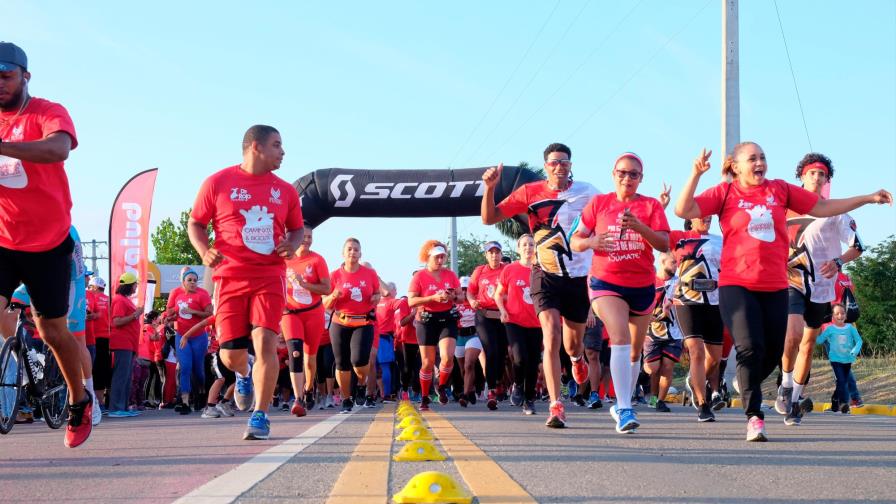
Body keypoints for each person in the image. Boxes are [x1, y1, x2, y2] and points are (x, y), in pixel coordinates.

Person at [674, 143, 891, 441]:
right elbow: (683, 209)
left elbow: (822, 207)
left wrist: (866, 198)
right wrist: (696, 174)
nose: (760, 162)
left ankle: (742, 380)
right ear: (736, 166)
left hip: (775, 285)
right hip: (737, 285)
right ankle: (754, 417)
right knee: (750, 347)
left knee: (772, 351)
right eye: (752, 158)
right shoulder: (725, 193)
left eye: (763, 157)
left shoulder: (781, 190)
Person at [0, 41, 92, 447]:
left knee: (53, 332)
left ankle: (78, 400)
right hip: (3, 238)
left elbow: (59, 149)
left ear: (25, 77)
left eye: (5, 76)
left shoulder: (47, 112)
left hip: (50, 243)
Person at [188, 124, 303, 440]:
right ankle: (243, 373)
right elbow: (195, 223)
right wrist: (204, 250)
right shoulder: (218, 183)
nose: (283, 151)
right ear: (256, 147)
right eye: (277, 145)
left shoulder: (286, 191)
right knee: (231, 355)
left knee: (265, 340)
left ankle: (260, 416)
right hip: (229, 278)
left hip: (269, 276)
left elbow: (296, 228)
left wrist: (291, 244)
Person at [482, 142, 600, 428]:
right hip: (545, 274)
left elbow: (607, 221)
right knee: (551, 335)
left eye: (564, 162)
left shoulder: (589, 192)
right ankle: (555, 405)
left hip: (577, 278)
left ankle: (575, 361)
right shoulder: (530, 192)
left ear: (571, 165)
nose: (559, 166)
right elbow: (489, 217)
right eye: (553, 162)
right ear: (546, 166)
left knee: (573, 347)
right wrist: (489, 188)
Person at [571, 152, 670, 434]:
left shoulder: (650, 206)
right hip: (606, 283)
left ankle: (623, 402)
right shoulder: (599, 203)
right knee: (620, 337)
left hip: (641, 285)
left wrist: (640, 227)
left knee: (635, 351)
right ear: (613, 174)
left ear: (641, 178)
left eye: (634, 174)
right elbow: (576, 241)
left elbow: (663, 243)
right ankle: (624, 408)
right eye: (622, 173)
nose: (627, 178)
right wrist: (592, 241)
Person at [777, 153, 864, 426]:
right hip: (791, 280)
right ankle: (786, 384)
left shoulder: (834, 210)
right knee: (792, 334)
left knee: (809, 343)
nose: (817, 177)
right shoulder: (784, 208)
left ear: (827, 180)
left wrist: (838, 262)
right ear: (802, 176)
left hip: (822, 288)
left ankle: (795, 401)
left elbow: (857, 246)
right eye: (812, 172)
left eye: (822, 174)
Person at [667, 215, 725, 418]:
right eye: (701, 214)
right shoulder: (679, 237)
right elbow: (654, 235)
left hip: (715, 302)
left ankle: (694, 380)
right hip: (687, 300)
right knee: (696, 351)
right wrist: (663, 206)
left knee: (715, 359)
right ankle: (703, 404)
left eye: (710, 214)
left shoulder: (722, 240)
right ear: (690, 218)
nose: (707, 217)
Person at [322, 238, 380, 413]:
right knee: (342, 363)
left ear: (360, 253)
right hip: (340, 322)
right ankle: (346, 399)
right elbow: (325, 304)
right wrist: (334, 295)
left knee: (359, 361)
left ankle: (361, 385)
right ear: (343, 253)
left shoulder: (370, 274)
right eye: (349, 249)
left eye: (356, 249)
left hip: (363, 322)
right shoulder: (334, 275)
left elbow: (377, 293)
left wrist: (376, 298)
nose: (352, 252)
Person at [407, 240, 462, 411]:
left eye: (443, 257)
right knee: (428, 362)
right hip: (426, 319)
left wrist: (451, 296)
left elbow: (461, 298)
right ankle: (424, 396)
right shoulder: (419, 276)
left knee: (447, 356)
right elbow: (411, 301)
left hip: (447, 317)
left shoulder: (450, 274)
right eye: (437, 257)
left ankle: (442, 386)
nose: (440, 261)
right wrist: (432, 298)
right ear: (428, 257)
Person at [282, 226, 331, 415]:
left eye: (310, 237)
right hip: (290, 313)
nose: (307, 240)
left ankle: (309, 389)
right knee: (295, 353)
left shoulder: (317, 260)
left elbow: (326, 289)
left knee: (310, 359)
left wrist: (305, 284)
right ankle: (298, 398)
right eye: (304, 236)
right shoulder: (284, 259)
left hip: (313, 313)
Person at [494, 234, 542, 415]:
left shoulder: (541, 269)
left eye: (531, 244)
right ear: (518, 249)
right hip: (514, 320)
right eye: (524, 245)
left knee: (533, 362)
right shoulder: (509, 269)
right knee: (520, 357)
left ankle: (529, 399)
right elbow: (498, 294)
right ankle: (516, 384)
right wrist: (502, 310)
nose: (528, 248)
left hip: (537, 322)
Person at [165, 268, 213, 414]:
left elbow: (210, 314)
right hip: (181, 336)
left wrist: (194, 312)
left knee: (198, 370)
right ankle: (185, 402)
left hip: (199, 337)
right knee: (185, 367)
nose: (192, 283)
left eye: (194, 280)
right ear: (183, 282)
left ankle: (201, 395)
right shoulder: (177, 295)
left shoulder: (202, 294)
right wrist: (169, 317)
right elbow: (171, 312)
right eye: (189, 280)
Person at [467, 241, 507, 410]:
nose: (494, 255)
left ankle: (498, 381)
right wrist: (471, 301)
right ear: (486, 255)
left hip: (503, 316)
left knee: (501, 353)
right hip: (483, 315)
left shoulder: (507, 269)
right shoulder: (480, 271)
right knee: (490, 351)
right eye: (491, 252)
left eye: (497, 252)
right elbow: (470, 290)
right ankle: (491, 389)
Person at [642, 253, 684, 415]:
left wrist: (671, 303)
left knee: (667, 367)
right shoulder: (648, 281)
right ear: (662, 262)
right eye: (673, 262)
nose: (676, 266)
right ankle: (649, 389)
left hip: (674, 333)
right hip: (651, 333)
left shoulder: (679, 282)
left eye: (677, 263)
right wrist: (646, 315)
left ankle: (659, 400)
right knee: (653, 368)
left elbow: (685, 299)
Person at [108, 272, 144, 417]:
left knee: (126, 377)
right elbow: (116, 321)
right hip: (122, 343)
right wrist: (136, 314)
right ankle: (116, 408)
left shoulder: (123, 300)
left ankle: (121, 407)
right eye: (135, 284)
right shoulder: (119, 300)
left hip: (128, 344)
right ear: (129, 285)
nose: (136, 287)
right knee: (121, 377)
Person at [816, 304, 862, 414]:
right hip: (835, 360)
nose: (840, 316)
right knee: (841, 380)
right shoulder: (830, 329)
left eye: (842, 313)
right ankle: (842, 404)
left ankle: (840, 405)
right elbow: (819, 341)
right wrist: (814, 328)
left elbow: (859, 341)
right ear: (832, 316)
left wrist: (854, 352)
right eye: (837, 314)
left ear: (846, 315)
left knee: (843, 380)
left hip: (847, 359)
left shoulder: (850, 328)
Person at [455, 277, 485, 407]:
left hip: (474, 335)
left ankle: (465, 394)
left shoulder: (476, 303)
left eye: (467, 289)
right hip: (459, 337)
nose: (464, 292)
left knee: (469, 364)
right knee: (463, 369)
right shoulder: (454, 304)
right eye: (462, 289)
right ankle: (471, 389)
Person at [375, 282, 399, 403]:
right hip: (384, 338)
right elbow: (404, 303)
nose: (396, 293)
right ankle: (387, 394)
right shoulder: (390, 301)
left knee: (373, 368)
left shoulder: (374, 301)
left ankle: (370, 394)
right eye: (395, 290)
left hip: (371, 337)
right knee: (385, 368)